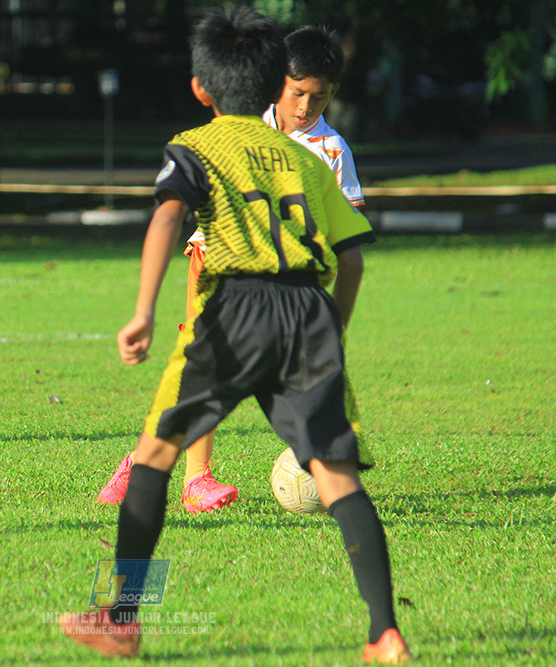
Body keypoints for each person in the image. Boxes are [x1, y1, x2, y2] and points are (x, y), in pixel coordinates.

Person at [61, 8, 411, 664]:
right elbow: (355, 255)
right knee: (337, 478)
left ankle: (123, 616)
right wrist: (332, 321)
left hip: (233, 311)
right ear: (277, 80)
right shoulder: (307, 158)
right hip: (308, 312)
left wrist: (141, 309)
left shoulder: (196, 145)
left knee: (153, 456)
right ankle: (383, 631)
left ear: (201, 88)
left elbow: (168, 218)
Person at [97, 25, 371, 513]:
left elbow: (341, 237)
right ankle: (193, 477)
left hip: (286, 281)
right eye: (298, 93)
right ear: (277, 82)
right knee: (206, 362)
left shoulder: (333, 151)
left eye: (320, 97)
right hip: (215, 256)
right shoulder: (245, 117)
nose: (306, 107)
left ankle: (141, 462)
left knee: (220, 371)